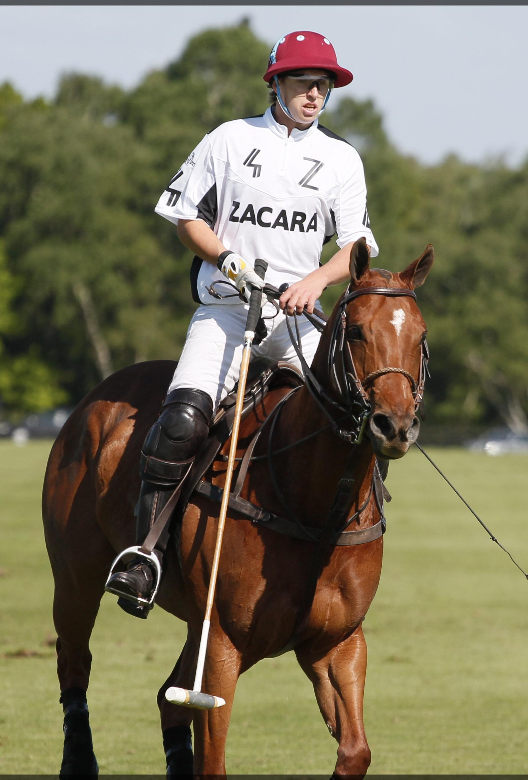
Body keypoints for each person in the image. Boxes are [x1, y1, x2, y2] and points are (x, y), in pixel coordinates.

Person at [105, 30, 379, 618]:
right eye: (305, 82)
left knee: (351, 415)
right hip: (229, 312)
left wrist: (317, 281)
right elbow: (183, 215)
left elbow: (355, 246)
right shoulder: (229, 140)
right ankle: (145, 554)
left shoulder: (341, 159)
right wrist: (225, 257)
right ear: (276, 82)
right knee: (181, 420)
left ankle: (343, 547)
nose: (315, 95)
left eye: (324, 85)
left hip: (298, 319)